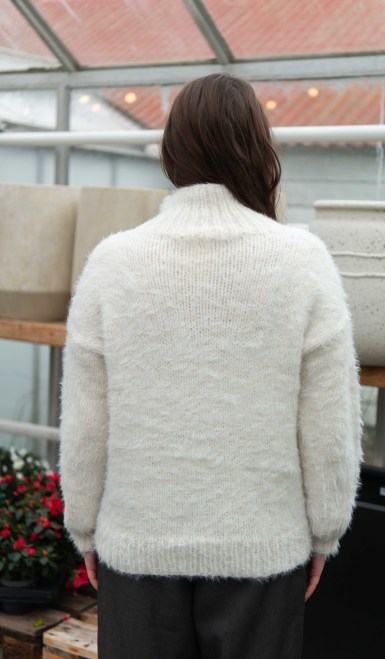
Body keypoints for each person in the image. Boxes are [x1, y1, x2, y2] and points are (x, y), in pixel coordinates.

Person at [59, 72, 363, 659]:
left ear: (171, 152)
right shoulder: (302, 260)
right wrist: (325, 529)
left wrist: (84, 526)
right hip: (263, 553)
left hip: (137, 549)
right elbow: (329, 422)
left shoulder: (112, 262)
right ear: (259, 148)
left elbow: (85, 421)